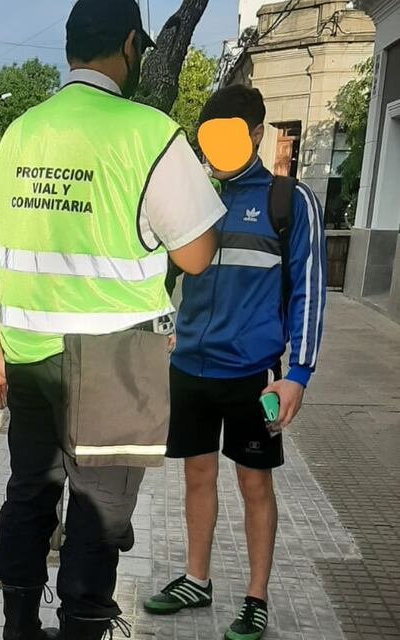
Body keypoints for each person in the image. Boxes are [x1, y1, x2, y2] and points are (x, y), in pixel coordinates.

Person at [0, 1, 225, 638]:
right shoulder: (149, 133)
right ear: (132, 46)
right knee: (97, 508)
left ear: (70, 48)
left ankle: (19, 625)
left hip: (29, 356)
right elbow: (196, 255)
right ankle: (84, 625)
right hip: (115, 364)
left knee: (30, 491)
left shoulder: (21, 132)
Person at [143, 85, 327, 640]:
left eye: (229, 137)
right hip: (190, 369)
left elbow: (309, 291)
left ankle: (255, 597)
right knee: (197, 476)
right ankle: (196, 580)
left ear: (253, 134)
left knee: (255, 485)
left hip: (252, 374)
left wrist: (298, 374)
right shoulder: (192, 197)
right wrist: (161, 330)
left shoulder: (287, 202)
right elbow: (160, 277)